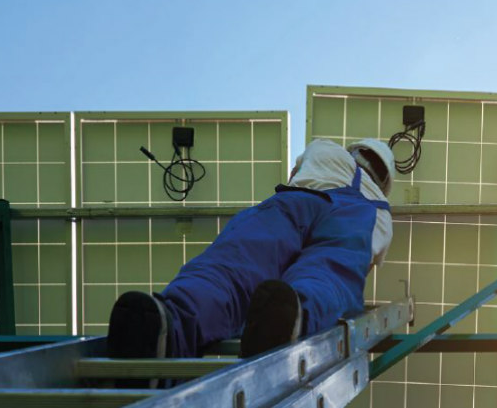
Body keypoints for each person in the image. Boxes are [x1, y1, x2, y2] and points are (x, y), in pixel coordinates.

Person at [106, 138, 395, 385]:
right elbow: (363, 263)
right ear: (385, 180)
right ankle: (292, 319)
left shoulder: (325, 148)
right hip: (353, 222)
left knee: (234, 265)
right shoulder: (383, 214)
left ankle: (170, 326)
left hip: (296, 202)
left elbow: (296, 172)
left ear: (355, 150)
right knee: (326, 277)